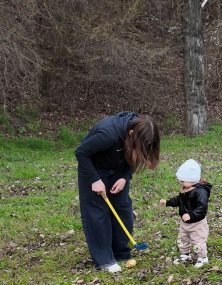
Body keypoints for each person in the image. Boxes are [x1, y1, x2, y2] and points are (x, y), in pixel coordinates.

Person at [75, 112, 161, 273]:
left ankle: (120, 252)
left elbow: (135, 154)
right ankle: (104, 260)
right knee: (98, 212)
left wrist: (125, 177)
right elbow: (81, 152)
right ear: (131, 134)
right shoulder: (108, 134)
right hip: (94, 168)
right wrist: (94, 180)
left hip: (118, 169)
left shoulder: (139, 131)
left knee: (122, 207)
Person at [160, 159, 211, 268]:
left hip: (197, 224)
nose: (181, 183)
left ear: (192, 179)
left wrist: (191, 215)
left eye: (183, 181)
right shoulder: (185, 188)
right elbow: (179, 200)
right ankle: (185, 254)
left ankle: (202, 257)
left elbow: (202, 208)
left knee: (198, 242)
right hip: (185, 223)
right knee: (182, 239)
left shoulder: (200, 191)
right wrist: (168, 202)